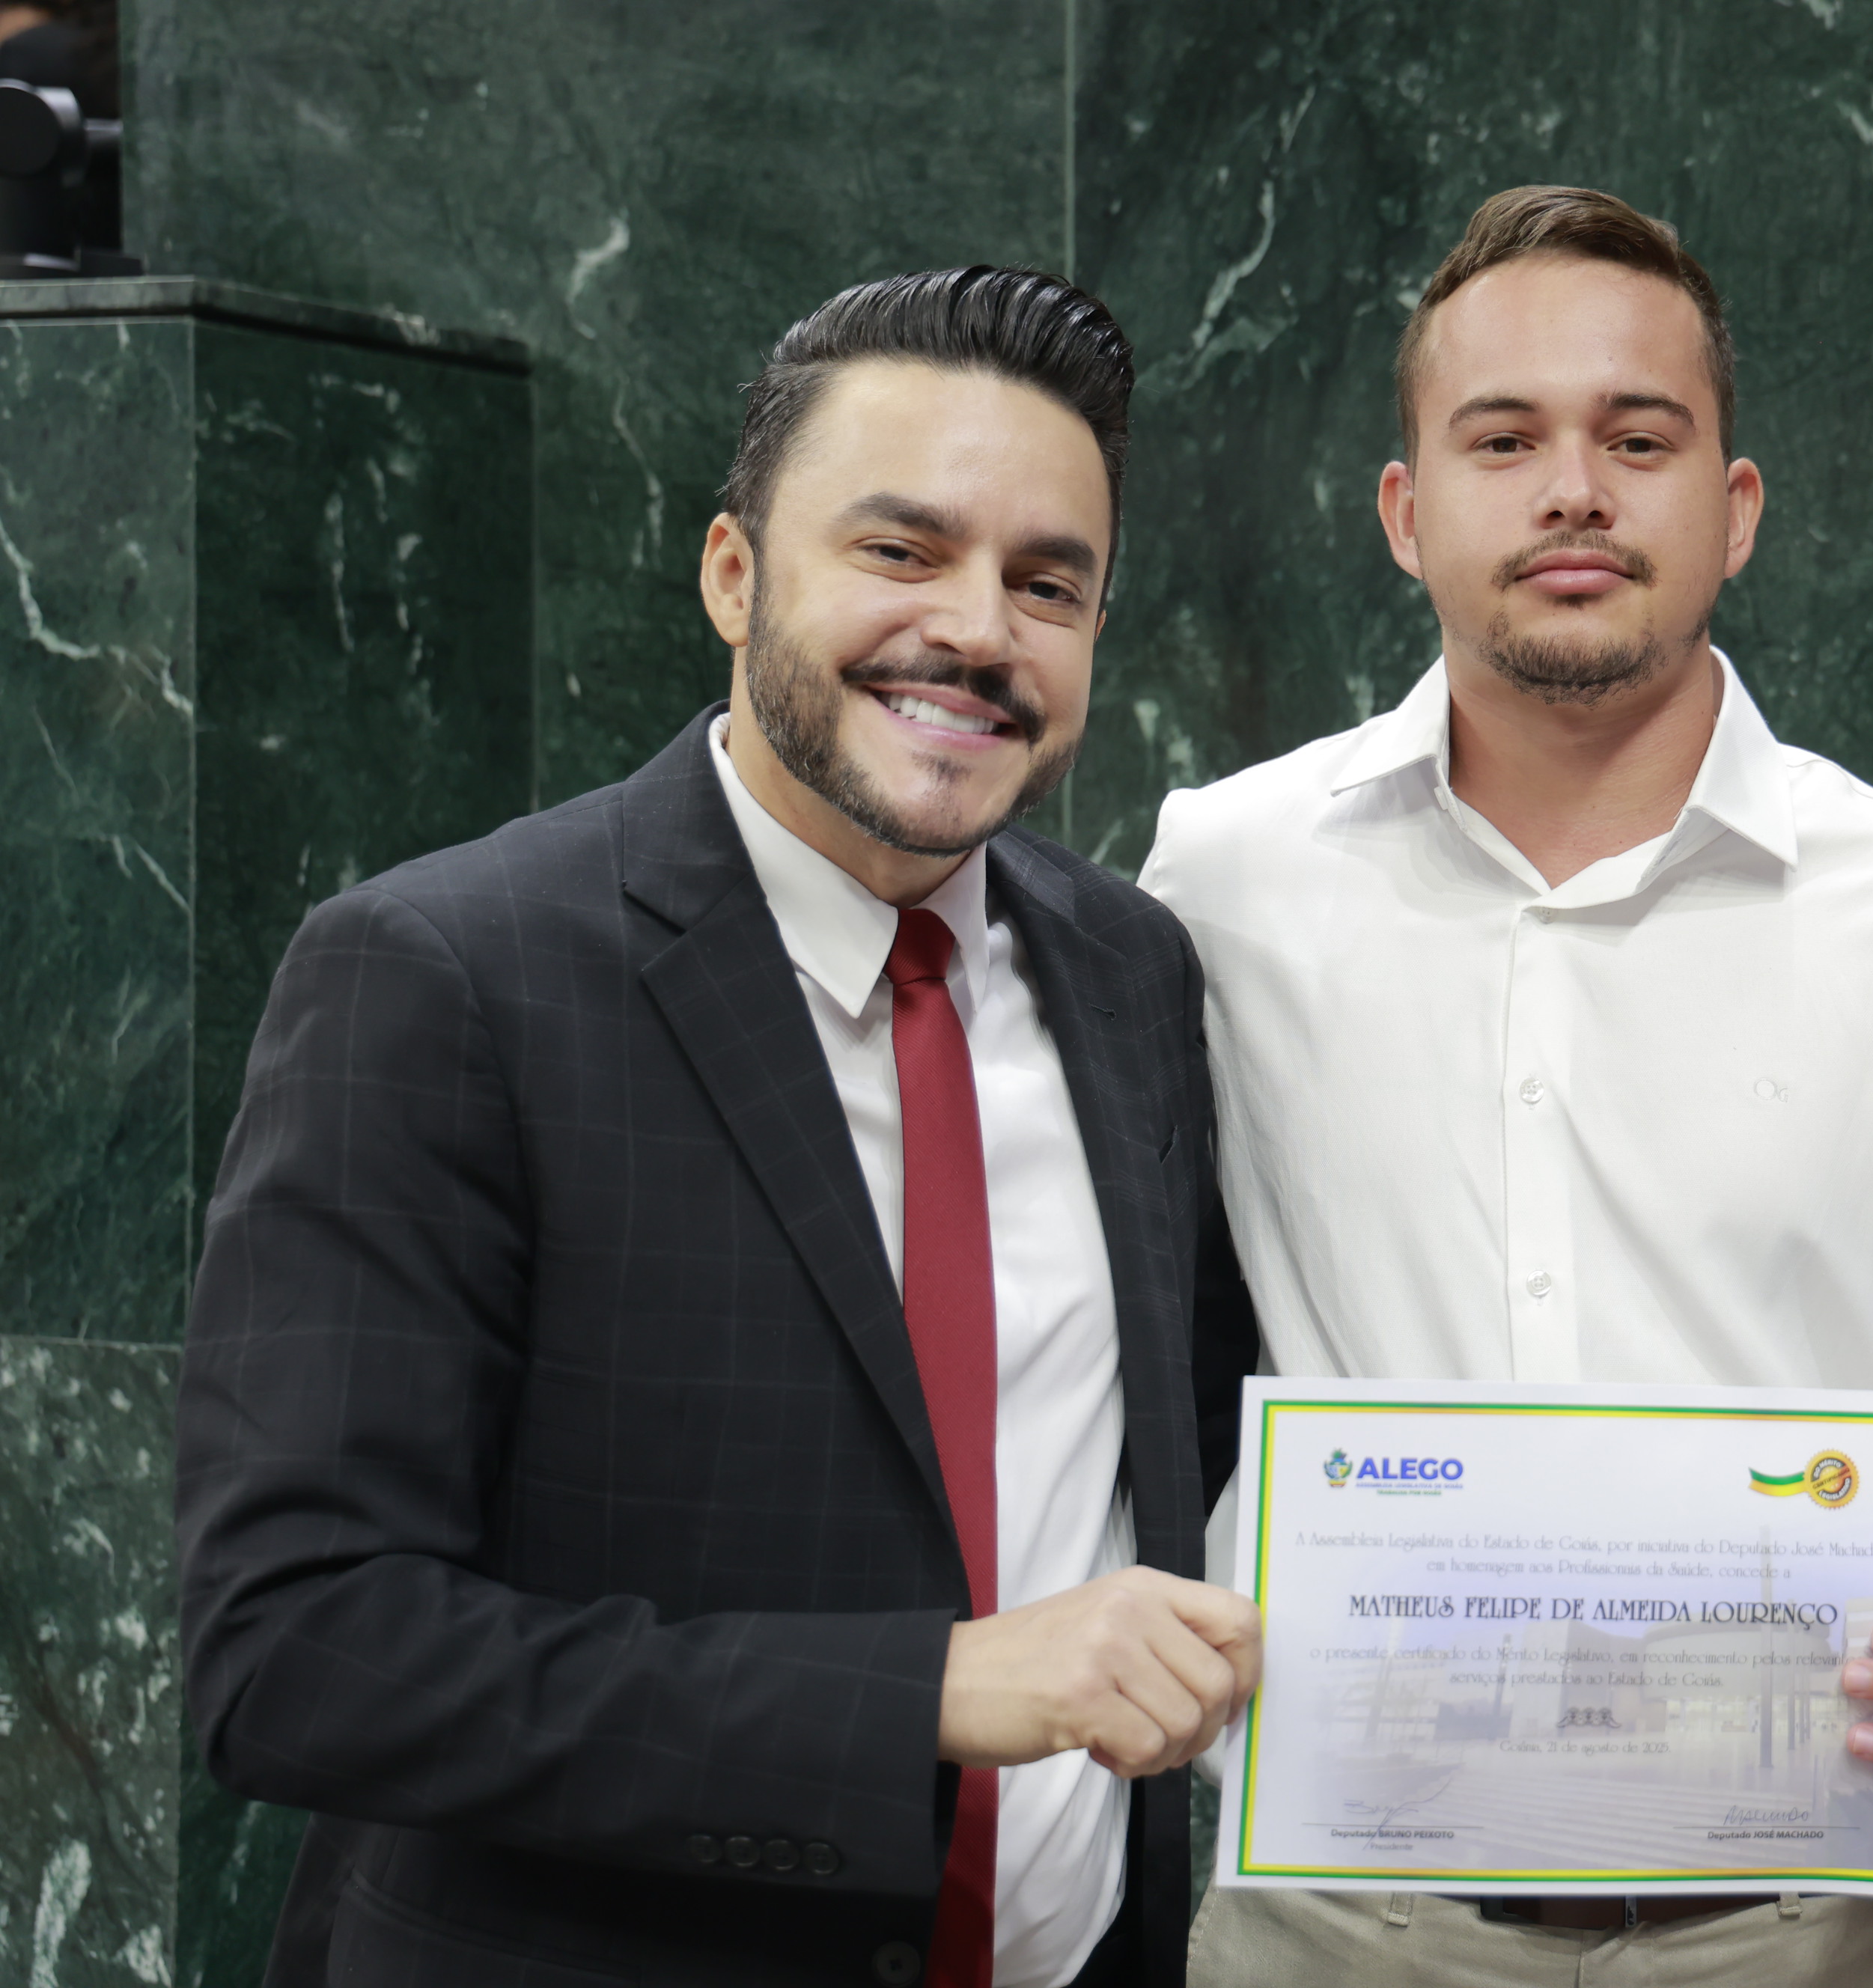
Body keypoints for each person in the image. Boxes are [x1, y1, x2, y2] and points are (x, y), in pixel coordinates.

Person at [177, 268, 1261, 1988]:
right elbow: (301, 1652)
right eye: (902, 549)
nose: (980, 629)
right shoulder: (444, 974)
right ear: (733, 573)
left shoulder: (1133, 970)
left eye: (1047, 582)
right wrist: (929, 1688)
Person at [1142, 185, 1873, 1988]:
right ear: (1405, 512)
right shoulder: (1225, 879)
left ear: (1735, 508)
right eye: (1503, 439)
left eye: (1638, 437)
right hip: (1337, 1917)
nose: (1574, 491)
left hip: (1814, 1924)